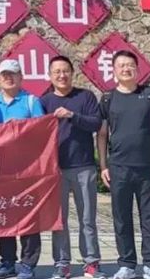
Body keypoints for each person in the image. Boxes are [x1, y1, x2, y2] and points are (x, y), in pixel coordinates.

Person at [97, 51, 150, 279]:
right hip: (119, 168)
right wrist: (103, 166)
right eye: (121, 65)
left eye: (130, 65)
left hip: (148, 167)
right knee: (122, 218)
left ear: (137, 69)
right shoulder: (108, 99)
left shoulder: (149, 95)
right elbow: (102, 135)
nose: (126, 69)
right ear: (114, 70)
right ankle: (126, 264)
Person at [40, 56, 105, 279]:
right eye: (56, 72)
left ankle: (91, 262)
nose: (62, 75)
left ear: (72, 73)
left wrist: (72, 116)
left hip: (83, 166)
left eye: (65, 70)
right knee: (59, 220)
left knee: (87, 218)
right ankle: (62, 264)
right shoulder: (44, 102)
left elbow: (96, 123)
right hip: (55, 169)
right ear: (50, 76)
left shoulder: (85, 97)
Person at [0, 59, 45, 279]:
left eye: (12, 74)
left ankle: (28, 264)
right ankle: (7, 262)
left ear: (21, 77)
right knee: (3, 216)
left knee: (28, 216)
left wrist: (20, 129)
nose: (8, 78)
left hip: (26, 170)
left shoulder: (32, 101)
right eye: (4, 74)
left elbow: (42, 132)